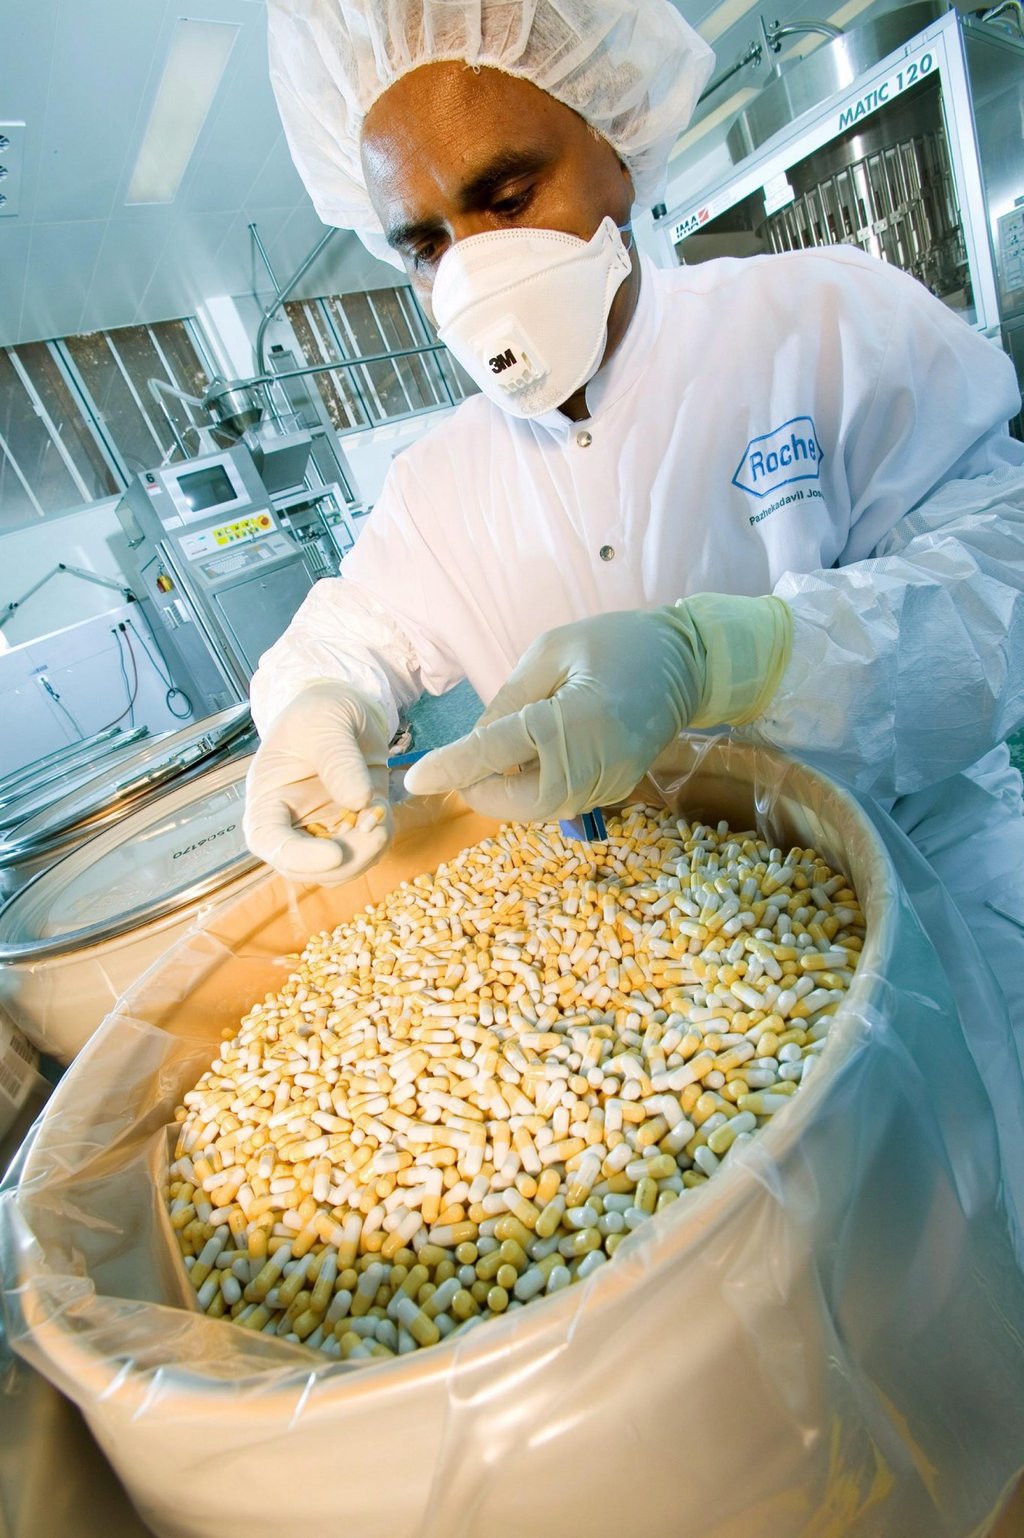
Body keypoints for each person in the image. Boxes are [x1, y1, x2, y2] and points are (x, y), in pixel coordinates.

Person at [246, 0, 1024, 1047]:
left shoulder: (821, 322)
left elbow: (996, 575)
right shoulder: (437, 484)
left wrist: (727, 655)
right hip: (664, 989)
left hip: (941, 894)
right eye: (427, 243)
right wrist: (316, 700)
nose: (474, 270)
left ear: (616, 141)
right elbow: (357, 627)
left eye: (509, 195)